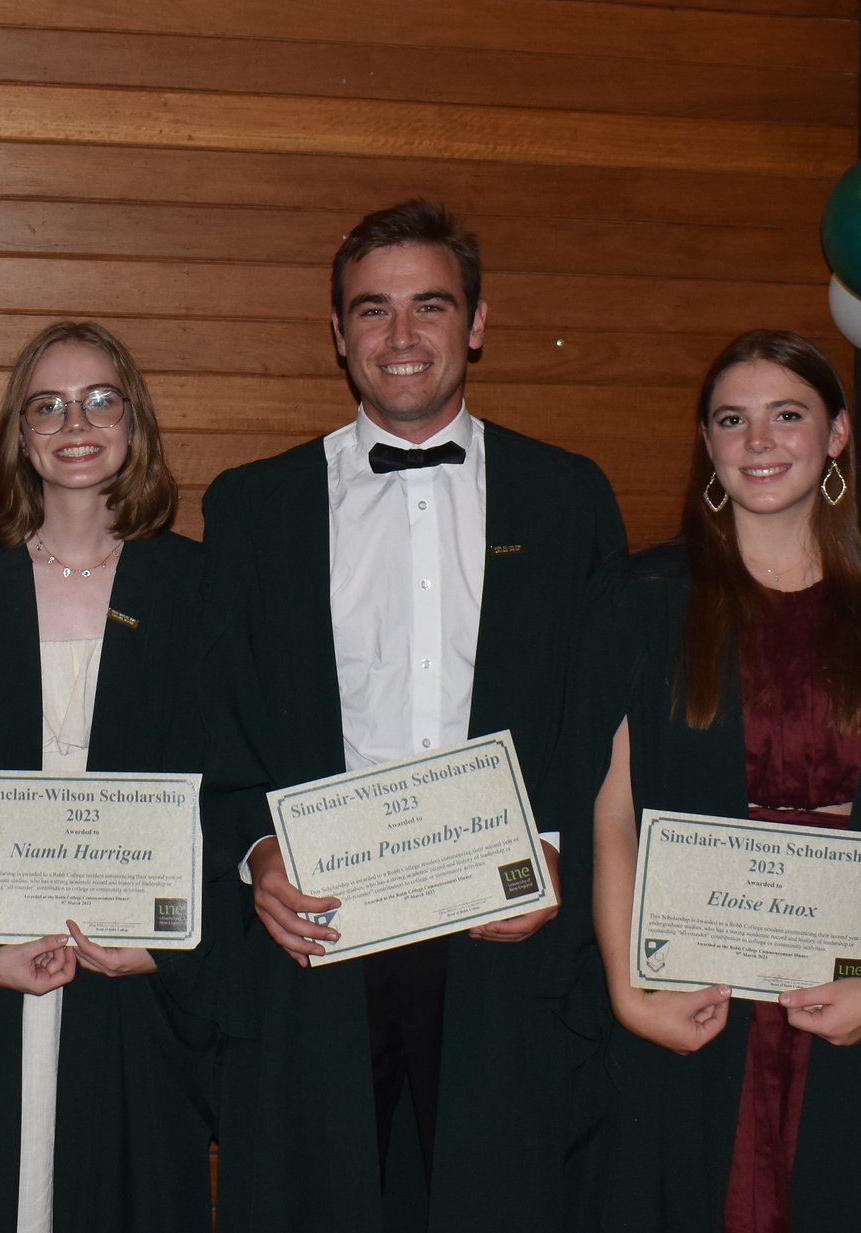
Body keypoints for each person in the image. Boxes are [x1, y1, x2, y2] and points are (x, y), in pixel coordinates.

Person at [199, 199, 626, 1231]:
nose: (401, 338)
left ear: (476, 322)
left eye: (429, 307)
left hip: (503, 930)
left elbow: (599, 703)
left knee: (499, 1198)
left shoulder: (567, 496)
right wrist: (258, 849)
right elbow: (216, 707)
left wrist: (556, 850)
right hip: (323, 928)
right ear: (338, 335)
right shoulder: (253, 507)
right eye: (372, 311)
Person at [581, 330, 861, 1232]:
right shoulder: (641, 595)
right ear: (707, 445)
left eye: (789, 415)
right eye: (732, 420)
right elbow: (614, 809)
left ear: (837, 436)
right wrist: (632, 988)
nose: (759, 441)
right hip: (693, 991)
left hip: (854, 990)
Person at [0, 321, 216, 1233]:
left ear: (135, 423)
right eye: (49, 405)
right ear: (21, 434)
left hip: (137, 977)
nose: (77, 422)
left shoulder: (197, 586)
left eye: (101, 400)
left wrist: (176, 941)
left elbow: (232, 784)